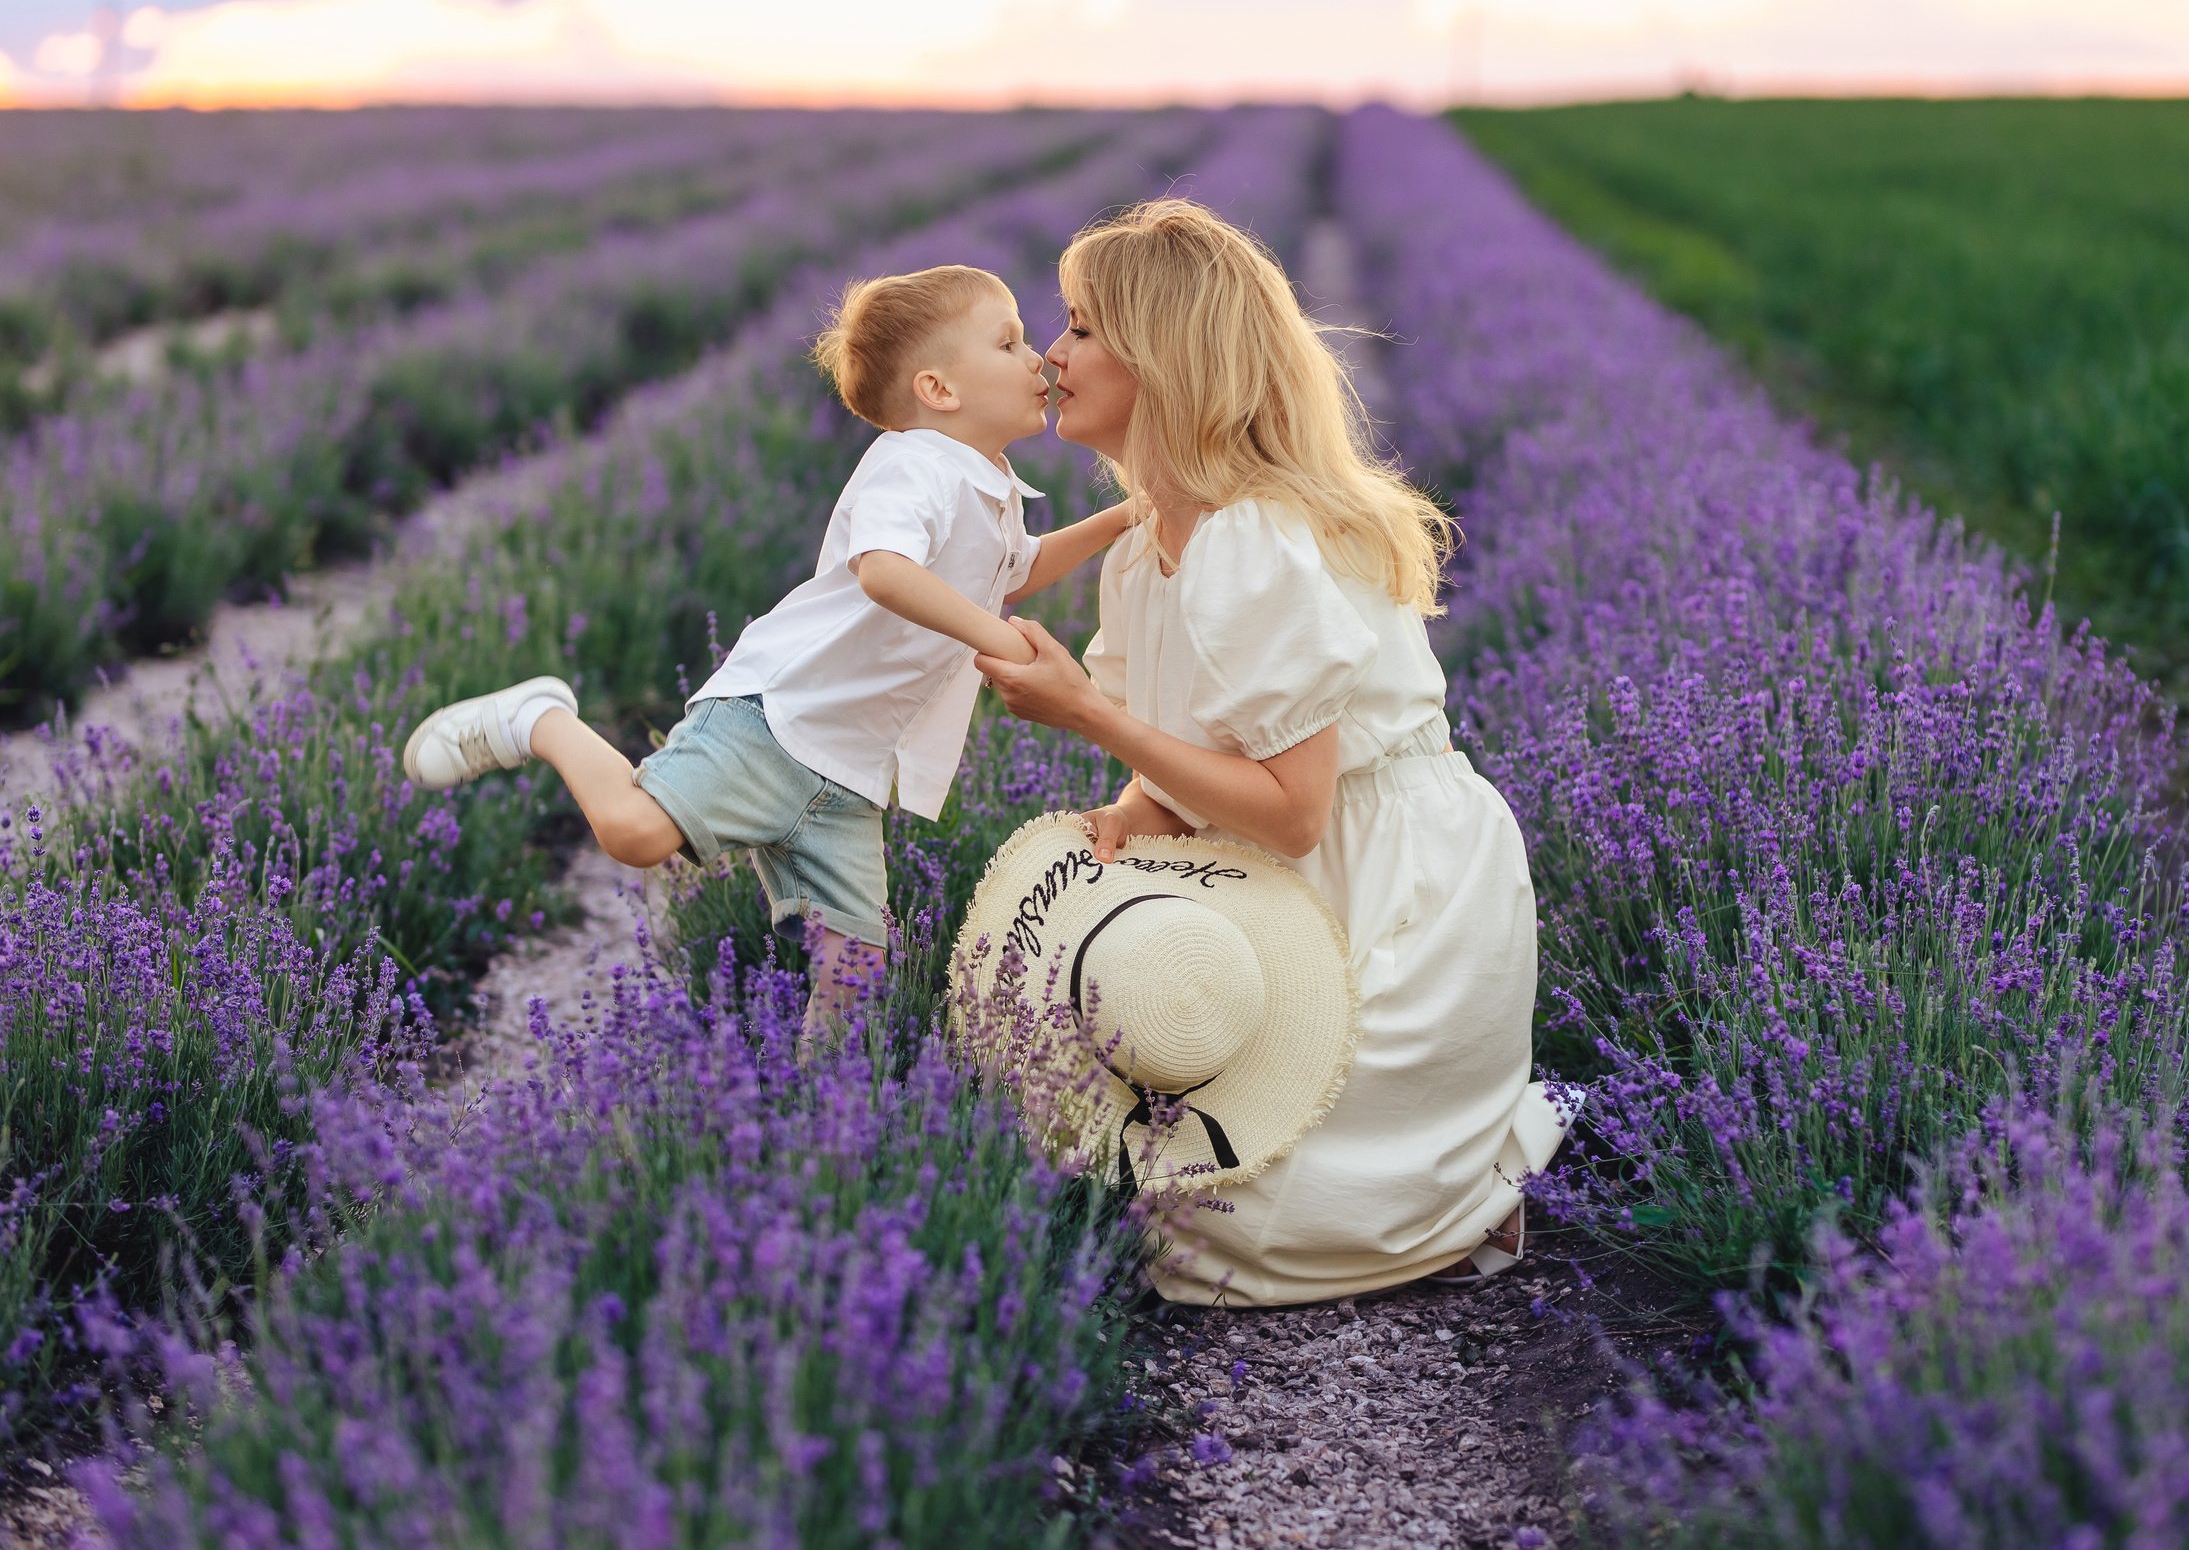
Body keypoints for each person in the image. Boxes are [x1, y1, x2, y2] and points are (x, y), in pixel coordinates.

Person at [974, 199, 1571, 1305]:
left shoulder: (1249, 537)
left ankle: (1456, 1166)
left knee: (1212, 1245)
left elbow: (1295, 809)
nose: (1052, 357)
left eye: (1081, 328)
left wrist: (1089, 716)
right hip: (1281, 870)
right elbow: (1187, 757)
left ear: (1164, 359)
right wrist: (1122, 827)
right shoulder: (1148, 546)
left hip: (1389, 890)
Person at [399, 264, 1135, 1054]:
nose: (1039, 358)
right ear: (939, 389)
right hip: (774, 721)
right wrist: (998, 638)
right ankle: (539, 719)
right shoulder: (912, 462)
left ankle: (815, 1122)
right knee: (635, 835)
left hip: (849, 772)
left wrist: (1128, 514)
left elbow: (1015, 573)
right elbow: (883, 570)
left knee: (856, 967)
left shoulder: (988, 482)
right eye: (1011, 340)